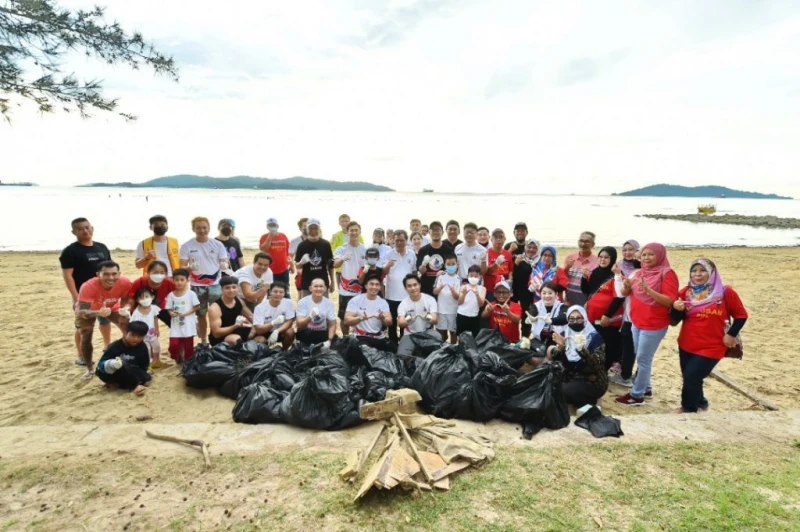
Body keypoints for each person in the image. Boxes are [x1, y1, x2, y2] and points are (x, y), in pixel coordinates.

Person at [670, 259, 748, 413]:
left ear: (712, 273)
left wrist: (731, 334)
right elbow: (674, 320)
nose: (698, 274)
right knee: (690, 376)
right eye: (694, 271)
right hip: (687, 343)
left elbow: (741, 315)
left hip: (713, 345)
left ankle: (688, 409)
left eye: (702, 270)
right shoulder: (686, 292)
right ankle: (701, 402)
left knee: (692, 376)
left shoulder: (725, 292)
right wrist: (675, 308)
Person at [615, 243, 679, 406]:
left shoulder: (667, 273)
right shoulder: (639, 273)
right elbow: (624, 293)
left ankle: (637, 395)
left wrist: (649, 290)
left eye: (651, 254)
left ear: (660, 255)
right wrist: (626, 287)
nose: (646, 258)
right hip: (636, 321)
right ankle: (647, 388)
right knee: (640, 356)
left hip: (654, 323)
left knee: (643, 359)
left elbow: (669, 301)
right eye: (644, 255)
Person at [60, 217, 112, 365]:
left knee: (105, 320)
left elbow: (110, 270)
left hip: (103, 294)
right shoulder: (70, 251)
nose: (85, 231)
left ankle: (107, 347)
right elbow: (68, 276)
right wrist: (76, 297)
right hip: (83, 296)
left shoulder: (102, 247)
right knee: (83, 326)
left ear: (92, 228)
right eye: (80, 229)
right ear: (74, 232)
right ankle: (81, 355)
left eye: (87, 227)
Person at [75, 260, 132, 378]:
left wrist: (125, 308)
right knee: (86, 334)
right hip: (89, 310)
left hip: (111, 308)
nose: (111, 278)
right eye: (106, 274)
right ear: (98, 274)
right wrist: (98, 312)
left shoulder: (125, 282)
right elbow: (81, 312)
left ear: (119, 274)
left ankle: (129, 357)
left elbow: (126, 298)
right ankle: (89, 369)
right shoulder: (88, 286)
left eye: (114, 274)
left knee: (128, 326)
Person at [179, 217, 229, 345]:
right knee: (201, 314)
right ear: (193, 229)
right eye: (198, 228)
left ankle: (216, 338)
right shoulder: (187, 246)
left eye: (204, 227)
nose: (202, 230)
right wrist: (189, 268)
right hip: (197, 286)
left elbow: (224, 261)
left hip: (215, 285)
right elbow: (181, 266)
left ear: (209, 228)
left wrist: (224, 264)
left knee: (216, 313)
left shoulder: (217, 244)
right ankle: (203, 340)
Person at [547, 306, 608, 407]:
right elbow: (561, 361)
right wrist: (561, 347)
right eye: (571, 319)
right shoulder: (565, 334)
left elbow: (597, 364)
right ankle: (580, 398)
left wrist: (582, 349)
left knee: (562, 392)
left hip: (591, 380)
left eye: (579, 318)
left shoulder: (594, 337)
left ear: (584, 319)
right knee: (548, 387)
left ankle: (590, 400)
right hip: (570, 377)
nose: (575, 321)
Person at [584, 248, 625, 371]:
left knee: (609, 346)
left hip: (609, 319)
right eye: (600, 257)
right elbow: (588, 290)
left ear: (612, 259)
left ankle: (604, 371)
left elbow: (619, 297)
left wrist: (607, 315)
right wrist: (583, 278)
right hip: (592, 317)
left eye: (606, 257)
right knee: (593, 344)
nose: (602, 259)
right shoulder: (595, 272)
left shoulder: (617, 275)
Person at [95, 321, 152, 395]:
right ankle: (135, 385)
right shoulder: (115, 346)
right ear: (126, 333)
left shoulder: (142, 347)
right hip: (114, 372)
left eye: (139, 336)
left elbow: (144, 365)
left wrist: (139, 374)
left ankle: (120, 384)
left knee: (146, 377)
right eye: (132, 335)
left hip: (131, 371)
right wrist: (111, 364)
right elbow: (100, 364)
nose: (136, 339)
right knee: (120, 364)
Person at [382, 230, 417, 344]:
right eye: (397, 240)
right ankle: (393, 343)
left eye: (402, 240)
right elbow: (384, 272)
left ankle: (403, 342)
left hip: (407, 296)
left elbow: (414, 272)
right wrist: (388, 265)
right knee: (392, 323)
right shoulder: (388, 254)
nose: (399, 243)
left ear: (406, 240)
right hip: (391, 295)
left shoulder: (411, 254)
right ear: (393, 240)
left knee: (405, 321)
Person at [333, 221, 367, 335]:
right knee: (344, 318)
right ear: (347, 232)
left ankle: (359, 337)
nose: (354, 232)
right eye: (351, 230)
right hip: (345, 290)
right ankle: (345, 338)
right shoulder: (341, 249)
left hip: (361, 289)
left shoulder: (364, 249)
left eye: (356, 230)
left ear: (360, 232)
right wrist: (343, 258)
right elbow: (335, 264)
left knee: (361, 316)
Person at [343, 277, 394, 351]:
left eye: (377, 285)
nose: (374, 287)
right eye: (371, 284)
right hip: (361, 336)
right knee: (367, 352)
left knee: (395, 352)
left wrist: (383, 318)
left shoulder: (383, 302)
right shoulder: (356, 300)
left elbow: (390, 322)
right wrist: (360, 318)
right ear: (366, 286)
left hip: (378, 337)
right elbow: (346, 321)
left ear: (380, 287)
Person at [396, 274, 440, 356]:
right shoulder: (403, 304)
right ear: (405, 288)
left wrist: (427, 317)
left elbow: (435, 320)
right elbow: (400, 323)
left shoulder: (430, 299)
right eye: (409, 286)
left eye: (415, 285)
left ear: (419, 285)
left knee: (438, 339)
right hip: (410, 334)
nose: (413, 288)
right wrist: (409, 319)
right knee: (402, 356)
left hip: (426, 331)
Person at [165, 268, 201, 363]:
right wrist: (170, 313)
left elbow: (197, 306)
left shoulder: (191, 294)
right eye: (176, 280)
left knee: (188, 346)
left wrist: (186, 313)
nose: (179, 282)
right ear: (173, 280)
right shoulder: (171, 295)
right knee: (174, 345)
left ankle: (187, 362)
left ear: (187, 280)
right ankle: (176, 356)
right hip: (176, 324)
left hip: (188, 324)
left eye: (182, 280)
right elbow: (168, 307)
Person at [294, 218, 335, 298]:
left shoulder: (326, 244)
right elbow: (297, 266)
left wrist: (332, 282)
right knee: (306, 305)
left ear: (319, 229)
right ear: (307, 229)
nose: (313, 230)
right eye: (311, 228)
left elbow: (330, 265)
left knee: (323, 305)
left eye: (315, 228)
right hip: (307, 284)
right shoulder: (302, 245)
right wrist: (301, 262)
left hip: (322, 284)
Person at [208, 276, 254, 347]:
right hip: (220, 337)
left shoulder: (240, 301)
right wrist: (236, 326)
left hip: (236, 330)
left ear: (237, 288)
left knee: (258, 332)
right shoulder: (215, 308)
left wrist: (260, 326)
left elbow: (251, 316)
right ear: (221, 289)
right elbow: (216, 333)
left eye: (234, 287)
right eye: (227, 288)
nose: (231, 290)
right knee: (235, 340)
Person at [129, 260, 176, 327]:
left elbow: (178, 294)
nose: (159, 275)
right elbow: (131, 299)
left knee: (175, 322)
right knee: (140, 328)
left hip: (160, 307)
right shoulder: (139, 282)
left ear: (166, 274)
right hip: (142, 309)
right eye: (155, 272)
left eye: (162, 273)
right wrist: (131, 312)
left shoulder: (168, 283)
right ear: (148, 272)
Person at [252, 282, 296, 349]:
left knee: (290, 332)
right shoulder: (260, 307)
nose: (278, 294)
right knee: (259, 341)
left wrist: (277, 331)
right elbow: (258, 329)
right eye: (275, 291)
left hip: (280, 330)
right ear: (270, 292)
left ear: (284, 294)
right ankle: (264, 352)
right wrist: (273, 323)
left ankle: (284, 350)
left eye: (281, 292)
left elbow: (289, 321)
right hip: (265, 332)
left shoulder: (288, 303)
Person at [296, 278, 337, 346]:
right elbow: (299, 324)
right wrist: (310, 317)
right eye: (316, 286)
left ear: (325, 288)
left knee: (335, 339)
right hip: (307, 333)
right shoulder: (302, 302)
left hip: (322, 332)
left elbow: (332, 324)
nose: (318, 289)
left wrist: (329, 341)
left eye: (321, 286)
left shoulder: (329, 303)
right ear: (310, 288)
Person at [512, 239, 540, 337]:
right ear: (525, 247)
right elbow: (513, 276)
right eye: (529, 247)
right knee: (522, 315)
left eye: (534, 248)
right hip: (520, 292)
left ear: (538, 249)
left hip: (535, 293)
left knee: (534, 315)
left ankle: (532, 337)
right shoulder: (520, 259)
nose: (531, 250)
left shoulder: (540, 261)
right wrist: (516, 264)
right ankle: (521, 337)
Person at [564, 231, 599, 306]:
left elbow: (597, 284)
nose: (583, 244)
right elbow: (563, 277)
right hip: (569, 300)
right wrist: (567, 267)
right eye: (581, 241)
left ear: (593, 244)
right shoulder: (570, 257)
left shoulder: (597, 261)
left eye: (587, 242)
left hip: (587, 302)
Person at [130, 287, 163, 367]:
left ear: (152, 297)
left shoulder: (154, 308)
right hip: (143, 336)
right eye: (141, 297)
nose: (144, 299)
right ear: (137, 300)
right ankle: (148, 364)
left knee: (157, 347)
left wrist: (157, 329)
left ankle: (157, 360)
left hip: (152, 334)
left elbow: (155, 319)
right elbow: (134, 324)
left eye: (147, 296)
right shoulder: (136, 312)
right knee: (146, 350)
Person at [258, 218, 291, 297]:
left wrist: (291, 265)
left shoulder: (283, 236)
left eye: (274, 225)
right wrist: (270, 237)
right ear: (267, 227)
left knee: (285, 291)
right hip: (270, 269)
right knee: (271, 292)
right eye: (270, 225)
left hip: (284, 268)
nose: (272, 227)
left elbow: (288, 251)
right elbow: (264, 249)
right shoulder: (264, 237)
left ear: (277, 226)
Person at [433, 253, 460, 343]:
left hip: (453, 311)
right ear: (444, 265)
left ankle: (453, 348)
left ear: (457, 264)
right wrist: (440, 287)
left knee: (453, 332)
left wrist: (453, 291)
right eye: (448, 264)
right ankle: (442, 347)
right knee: (441, 332)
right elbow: (434, 291)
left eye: (453, 264)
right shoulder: (440, 276)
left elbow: (458, 297)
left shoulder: (459, 279)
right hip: (441, 310)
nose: (451, 266)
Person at [417, 221, 448, 296]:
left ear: (442, 232)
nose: (435, 232)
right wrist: (424, 264)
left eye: (438, 230)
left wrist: (445, 273)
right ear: (429, 232)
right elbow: (421, 271)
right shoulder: (423, 250)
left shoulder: (448, 250)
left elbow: (453, 270)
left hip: (443, 288)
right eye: (433, 230)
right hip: (426, 289)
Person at [456, 265, 487, 337]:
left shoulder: (482, 289)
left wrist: (477, 295)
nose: (473, 278)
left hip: (474, 316)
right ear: (467, 276)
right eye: (471, 275)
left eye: (476, 276)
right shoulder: (463, 287)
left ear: (480, 277)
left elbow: (481, 304)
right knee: (461, 337)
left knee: (474, 337)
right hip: (462, 315)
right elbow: (459, 302)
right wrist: (463, 294)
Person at [484, 228, 513, 300]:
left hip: (504, 289)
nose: (498, 239)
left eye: (501, 237)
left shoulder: (508, 254)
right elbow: (486, 271)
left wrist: (510, 280)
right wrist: (496, 263)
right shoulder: (486, 252)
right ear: (491, 239)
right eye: (496, 237)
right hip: (490, 288)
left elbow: (510, 270)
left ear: (504, 239)